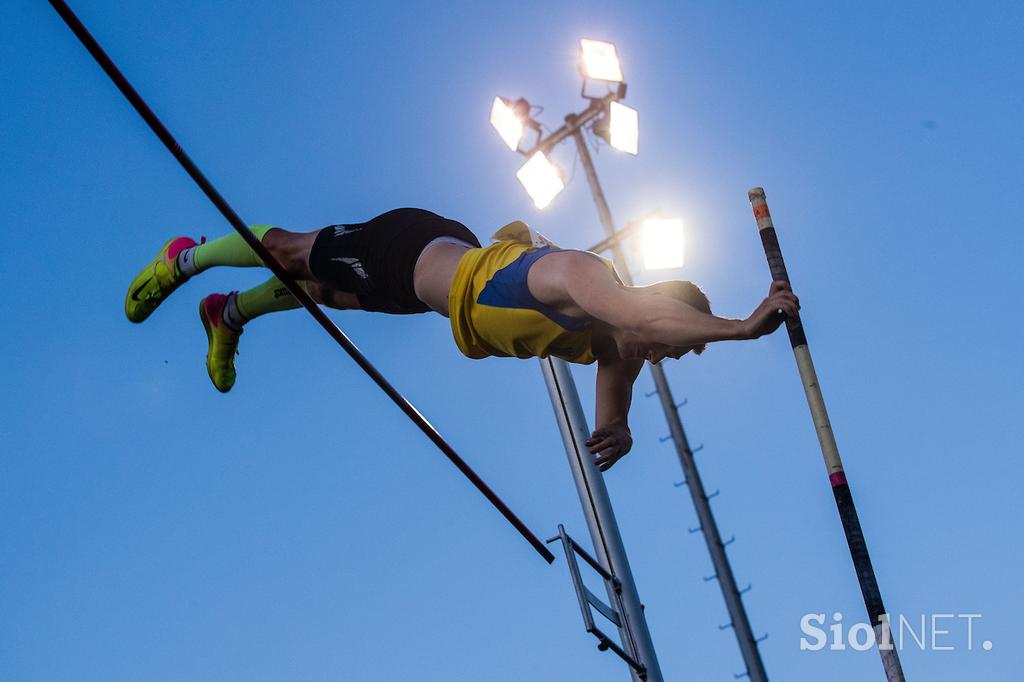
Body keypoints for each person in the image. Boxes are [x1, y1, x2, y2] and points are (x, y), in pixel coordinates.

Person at [125, 208, 798, 471]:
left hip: (430, 297)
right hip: (415, 248)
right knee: (290, 254)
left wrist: (615, 432)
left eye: (668, 356)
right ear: (654, 309)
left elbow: (615, 403)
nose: (658, 356)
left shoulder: (615, 352)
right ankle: (184, 256)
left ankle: (228, 314)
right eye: (668, 346)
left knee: (326, 293)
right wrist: (740, 327)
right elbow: (645, 320)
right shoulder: (586, 278)